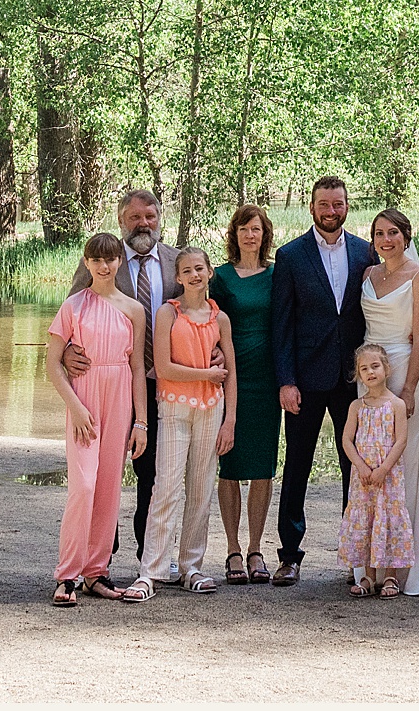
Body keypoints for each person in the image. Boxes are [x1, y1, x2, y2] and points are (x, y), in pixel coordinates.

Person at [269, 175, 378, 586]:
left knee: (356, 465)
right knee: (297, 465)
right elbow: (282, 325)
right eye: (324, 204)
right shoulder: (291, 255)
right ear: (312, 207)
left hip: (354, 381)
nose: (331, 211)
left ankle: (355, 554)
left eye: (338, 204)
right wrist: (286, 380)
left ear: (347, 207)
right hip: (306, 378)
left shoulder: (365, 252)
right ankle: (290, 555)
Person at [65, 189, 181, 566]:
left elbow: (198, 313)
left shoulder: (177, 262)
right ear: (121, 221)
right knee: (101, 469)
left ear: (159, 219)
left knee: (152, 472)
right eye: (135, 217)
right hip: (110, 383)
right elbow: (71, 316)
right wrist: (67, 351)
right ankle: (103, 552)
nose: (143, 223)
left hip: (161, 383)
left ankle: (149, 555)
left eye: (150, 216)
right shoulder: (101, 261)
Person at [45, 232, 151, 604]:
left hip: (120, 395)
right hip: (85, 399)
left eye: (110, 259)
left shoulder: (134, 309)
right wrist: (75, 407)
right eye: (96, 260)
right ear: (86, 263)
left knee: (108, 488)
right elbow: (52, 364)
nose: (104, 267)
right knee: (83, 487)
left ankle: (96, 571)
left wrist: (141, 422)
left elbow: (138, 367)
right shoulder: (73, 306)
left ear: (119, 262)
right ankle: (67, 574)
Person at [361, 207, 419, 595]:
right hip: (369, 373)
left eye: (393, 232)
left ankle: (409, 563)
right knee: (372, 461)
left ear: (406, 236)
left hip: (404, 370)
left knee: (404, 466)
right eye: (379, 233)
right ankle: (372, 562)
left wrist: (409, 388)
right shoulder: (369, 275)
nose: (386, 239)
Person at [141, 246, 236, 593]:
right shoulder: (169, 313)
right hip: (174, 407)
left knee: (200, 490)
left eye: (200, 268)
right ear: (177, 277)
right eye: (187, 271)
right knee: (165, 487)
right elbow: (163, 367)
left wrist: (231, 421)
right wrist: (204, 374)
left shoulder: (219, 319)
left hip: (212, 410)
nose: (195, 275)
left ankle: (191, 567)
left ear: (210, 272)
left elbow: (230, 374)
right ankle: (151, 570)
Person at [210, 202, 278, 585]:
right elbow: (206, 321)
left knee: (263, 467)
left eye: (256, 229)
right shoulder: (220, 277)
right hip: (231, 376)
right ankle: (233, 549)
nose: (250, 235)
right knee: (231, 464)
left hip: (268, 379)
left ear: (264, 234)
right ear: (234, 235)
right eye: (243, 229)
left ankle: (256, 548)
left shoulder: (276, 274)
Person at [337, 342, 413, 598]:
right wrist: (360, 465)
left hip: (387, 478)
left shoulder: (397, 405)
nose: (370, 372)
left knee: (388, 521)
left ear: (387, 368)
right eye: (364, 369)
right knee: (366, 521)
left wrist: (383, 469)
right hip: (363, 478)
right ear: (358, 375)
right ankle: (368, 576)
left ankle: (390, 575)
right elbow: (347, 439)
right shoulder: (356, 407)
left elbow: (401, 440)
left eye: (375, 366)